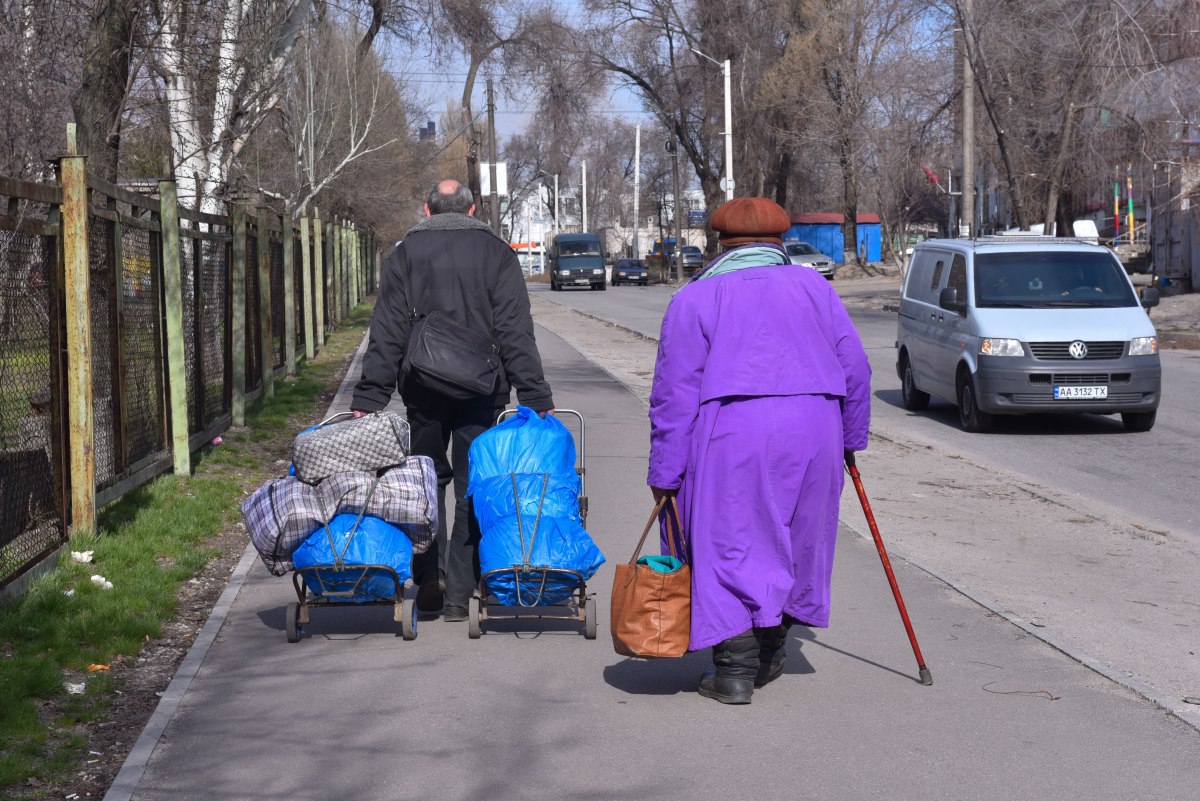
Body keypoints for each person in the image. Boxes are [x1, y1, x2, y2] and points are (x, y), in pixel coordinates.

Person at [647, 197, 871, 704]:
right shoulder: (816, 286)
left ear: (720, 243)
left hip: (733, 430)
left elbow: (673, 395)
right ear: (778, 241)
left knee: (730, 541)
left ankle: (734, 669)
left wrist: (665, 471)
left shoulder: (695, 297)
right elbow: (856, 369)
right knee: (797, 537)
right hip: (815, 428)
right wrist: (851, 439)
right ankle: (771, 650)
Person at [352, 179, 555, 621]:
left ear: (426, 210)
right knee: (472, 484)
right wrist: (535, 393)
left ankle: (430, 577)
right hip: (482, 390)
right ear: (474, 209)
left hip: (422, 389)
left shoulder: (404, 255)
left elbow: (387, 329)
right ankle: (462, 593)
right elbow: (514, 330)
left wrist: (370, 395)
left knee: (425, 480)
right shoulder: (498, 254)